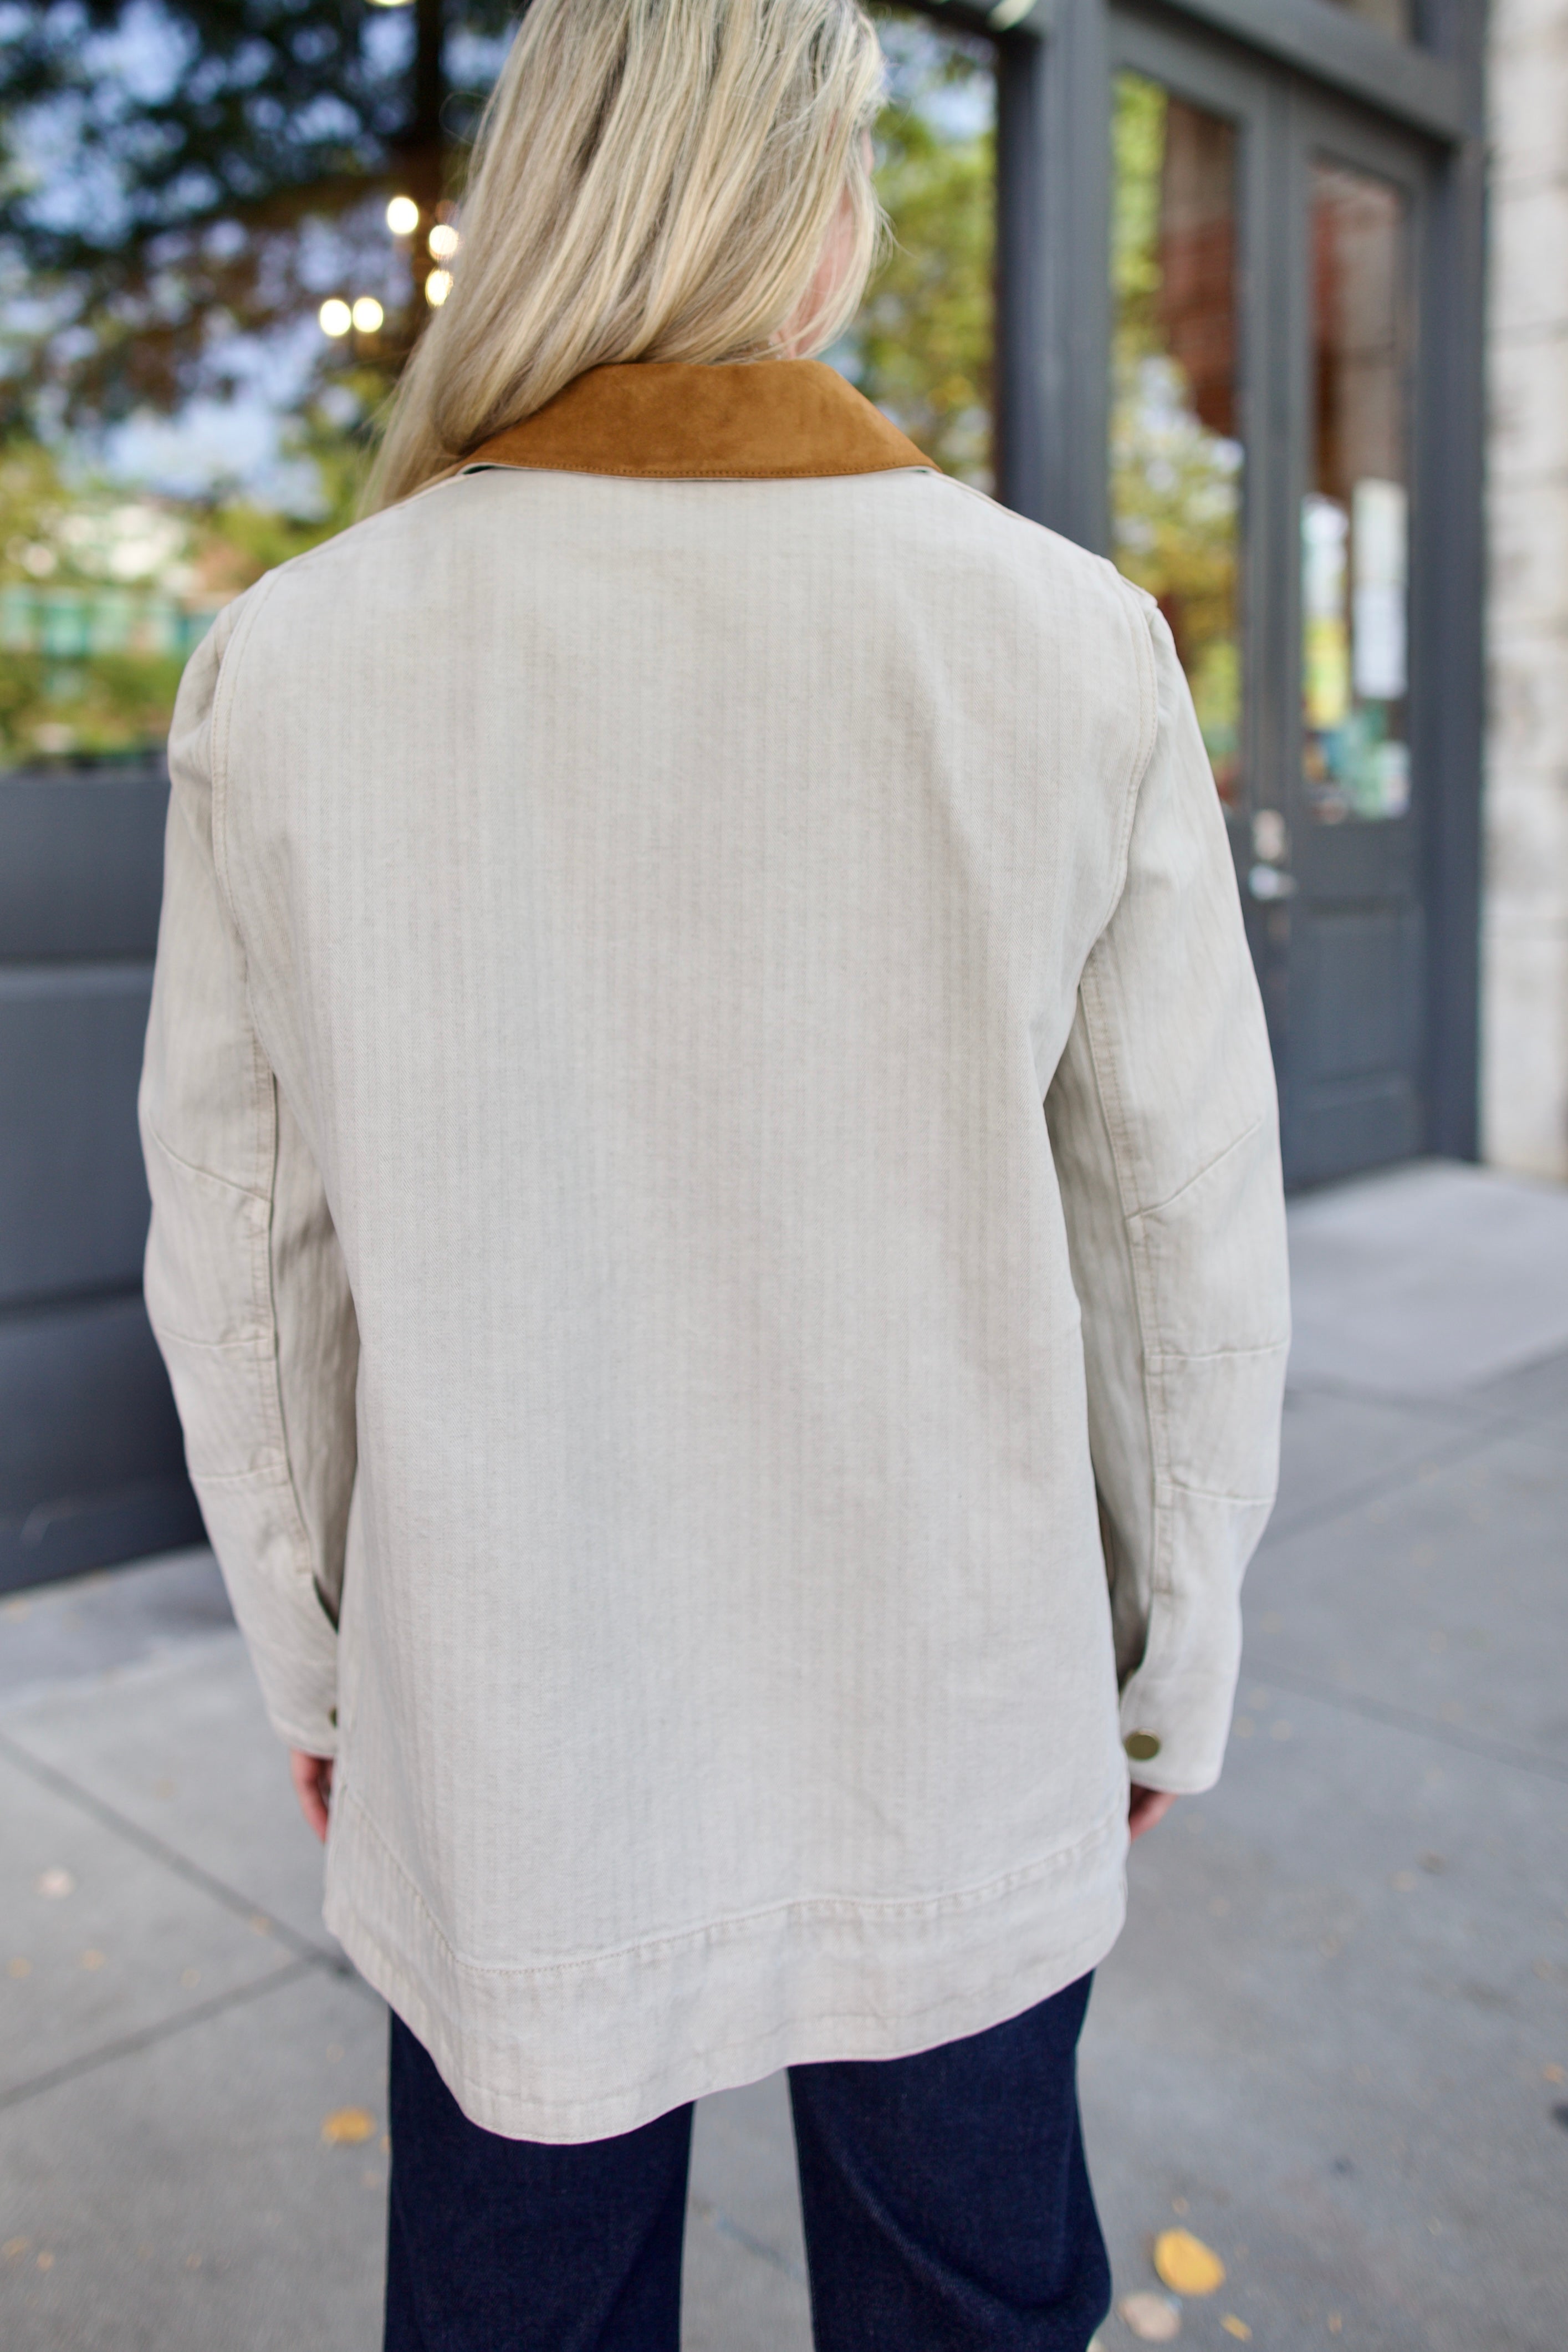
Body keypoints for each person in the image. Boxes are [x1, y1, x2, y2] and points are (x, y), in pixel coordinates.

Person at [139, 0, 1290, 2342]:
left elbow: (253, 1278)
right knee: (970, 2299)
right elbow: (1178, 1248)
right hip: (956, 1711)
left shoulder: (298, 665)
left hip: (514, 1712)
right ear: (813, 211)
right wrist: (1169, 1664)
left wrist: (327, 1670)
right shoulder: (1064, 646)